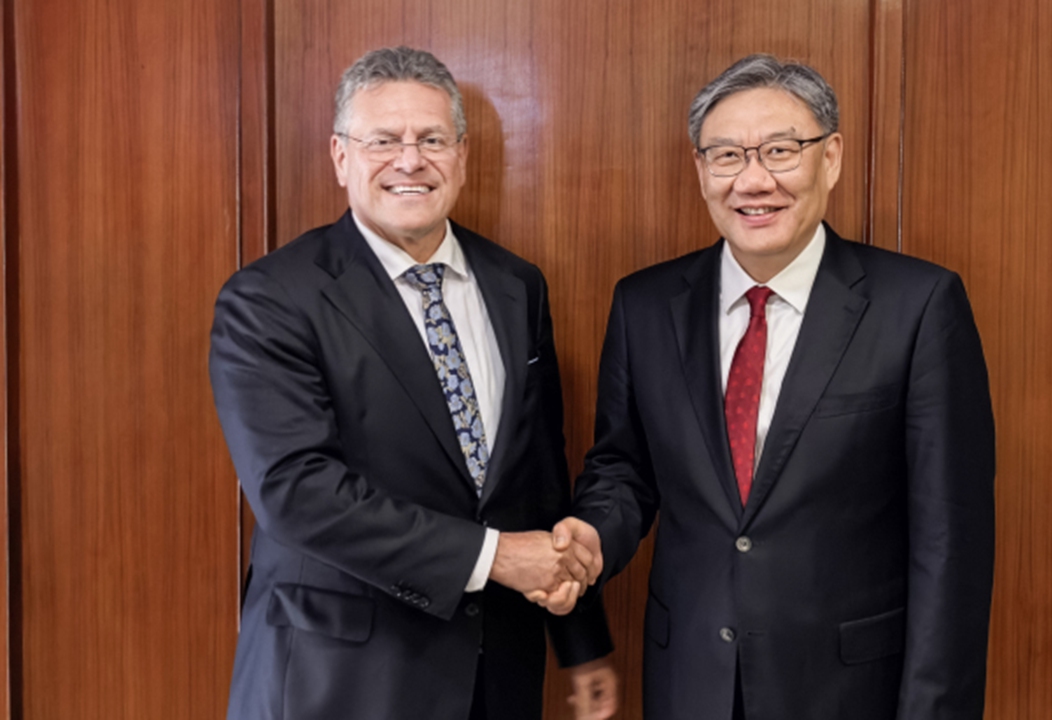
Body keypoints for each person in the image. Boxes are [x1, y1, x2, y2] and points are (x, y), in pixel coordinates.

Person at [557, 54, 996, 719]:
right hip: (690, 684)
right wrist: (594, 537)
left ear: (831, 157)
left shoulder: (918, 305)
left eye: (781, 151)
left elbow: (949, 544)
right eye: (727, 155)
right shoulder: (643, 305)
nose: (753, 180)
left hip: (848, 693)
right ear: (701, 169)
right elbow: (625, 470)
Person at [210, 46, 617, 720]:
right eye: (383, 140)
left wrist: (580, 640)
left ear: (462, 154)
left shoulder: (516, 284)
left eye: (431, 139)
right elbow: (296, 492)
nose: (409, 161)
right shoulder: (270, 298)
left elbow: (539, 476)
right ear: (341, 156)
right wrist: (494, 558)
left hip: (496, 675)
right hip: (340, 679)